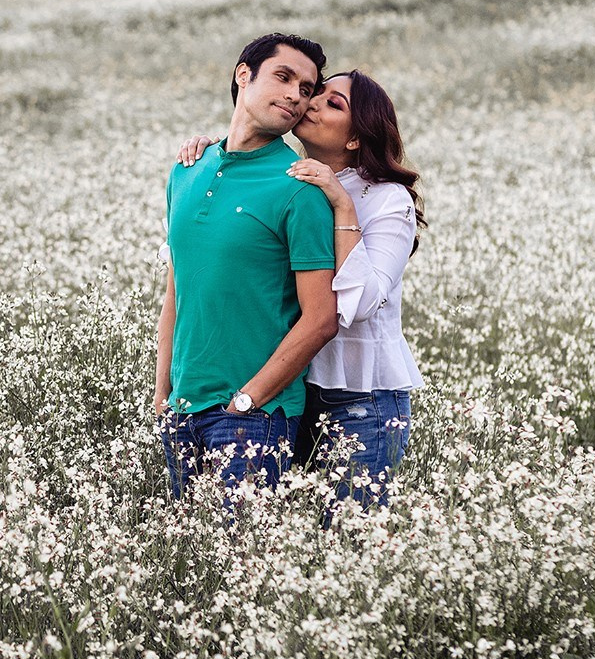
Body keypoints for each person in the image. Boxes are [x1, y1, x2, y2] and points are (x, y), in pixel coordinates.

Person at [175, 69, 425, 510]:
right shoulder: (291, 179)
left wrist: (342, 204)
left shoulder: (387, 199)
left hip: (361, 399)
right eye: (316, 93)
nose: (310, 103)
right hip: (293, 392)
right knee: (289, 533)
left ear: (355, 138)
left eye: (333, 103)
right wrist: (218, 156)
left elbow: (362, 301)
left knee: (350, 537)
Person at [157, 34, 341, 503]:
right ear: (244, 75)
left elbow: (321, 318)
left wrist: (248, 400)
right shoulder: (187, 170)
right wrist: (162, 397)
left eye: (306, 89)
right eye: (284, 77)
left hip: (253, 419)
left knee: (242, 551)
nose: (296, 96)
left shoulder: (299, 188)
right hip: (182, 410)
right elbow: (176, 294)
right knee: (189, 550)